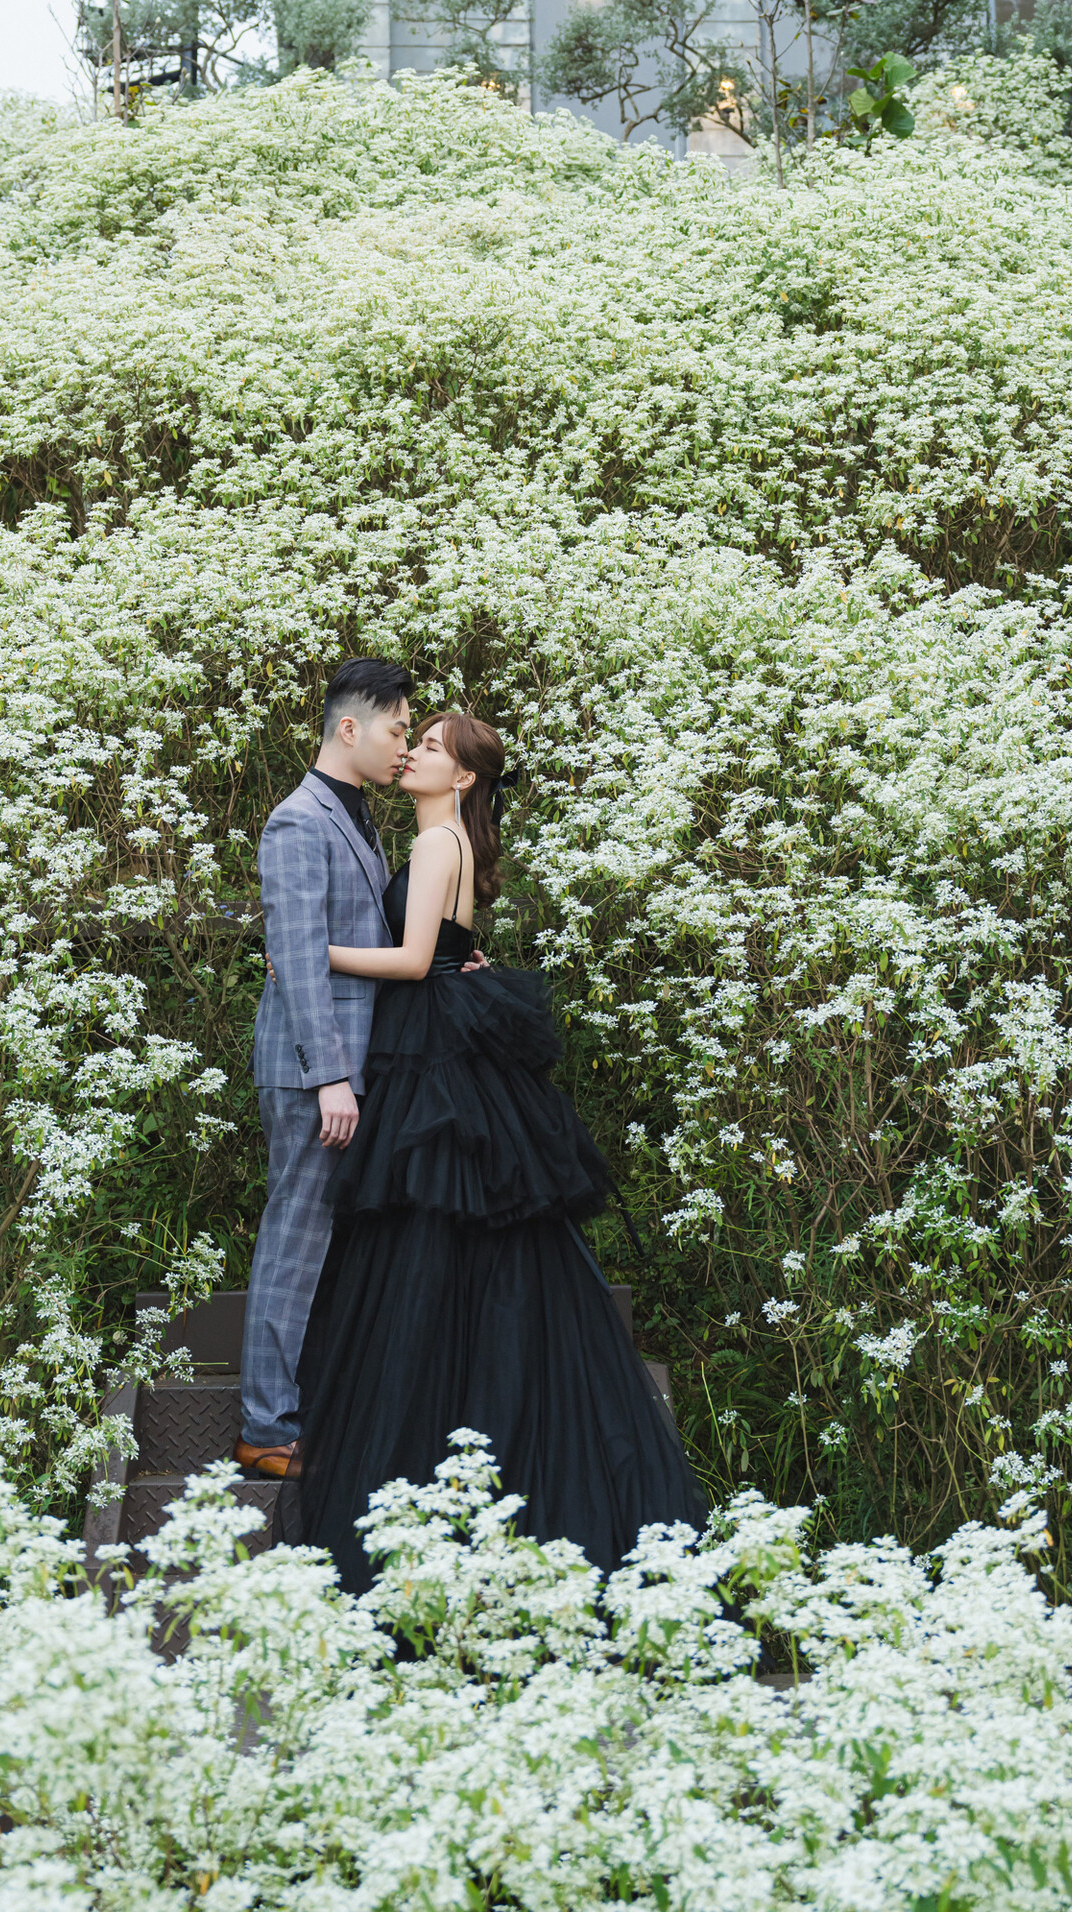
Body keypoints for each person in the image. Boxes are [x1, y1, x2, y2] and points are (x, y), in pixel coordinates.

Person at [292, 708, 708, 1590]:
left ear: (465, 777)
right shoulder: (446, 842)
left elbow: (414, 961)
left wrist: (308, 952)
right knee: (455, 1228)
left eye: (431, 748)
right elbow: (449, 949)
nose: (413, 753)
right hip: (440, 1037)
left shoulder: (437, 843)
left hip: (430, 1045)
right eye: (415, 742)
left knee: (429, 1224)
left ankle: (440, 1424)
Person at [234, 657, 414, 1478]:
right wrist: (329, 1076)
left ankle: (310, 1409)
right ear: (349, 728)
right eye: (396, 730)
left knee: (326, 1241)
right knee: (296, 1240)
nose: (403, 746)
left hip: (349, 1065)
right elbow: (298, 958)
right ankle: (265, 1429)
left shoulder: (356, 816)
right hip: (315, 1071)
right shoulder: (298, 822)